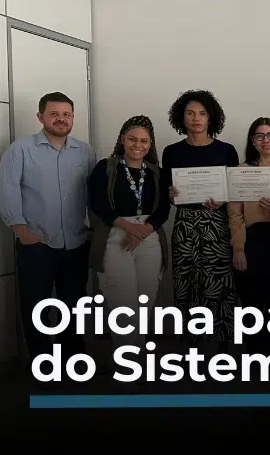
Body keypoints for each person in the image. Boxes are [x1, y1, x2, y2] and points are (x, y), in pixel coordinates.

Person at [0, 92, 96, 366]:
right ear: (41, 117)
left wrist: (93, 229)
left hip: (76, 243)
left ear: (72, 118)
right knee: (36, 308)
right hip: (37, 245)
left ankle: (72, 360)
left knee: (74, 307)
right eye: (54, 114)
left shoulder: (85, 151)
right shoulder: (20, 150)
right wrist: (21, 231)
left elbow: (93, 194)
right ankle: (43, 366)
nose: (61, 119)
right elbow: (7, 191)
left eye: (66, 114)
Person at [87, 115, 171, 365]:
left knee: (145, 303)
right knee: (122, 304)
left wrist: (143, 230)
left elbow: (163, 209)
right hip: (115, 236)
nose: (138, 145)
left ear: (150, 144)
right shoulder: (106, 167)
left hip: (149, 237)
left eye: (144, 141)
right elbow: (98, 204)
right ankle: (126, 367)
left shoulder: (156, 173)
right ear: (122, 139)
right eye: (132, 139)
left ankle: (138, 359)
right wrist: (129, 227)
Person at [161, 89, 241, 350]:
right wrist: (171, 194)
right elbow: (167, 192)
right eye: (191, 113)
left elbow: (235, 193)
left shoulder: (226, 151)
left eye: (202, 113)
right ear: (181, 117)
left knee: (219, 284)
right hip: (185, 224)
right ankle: (190, 348)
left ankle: (222, 348)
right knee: (186, 283)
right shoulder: (171, 152)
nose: (196, 118)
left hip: (217, 225)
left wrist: (223, 201)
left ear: (211, 118)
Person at [228, 117, 270, 354]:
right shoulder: (241, 171)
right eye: (259, 135)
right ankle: (255, 352)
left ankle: (269, 346)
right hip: (252, 242)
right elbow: (235, 215)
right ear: (252, 141)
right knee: (252, 301)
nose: (266, 140)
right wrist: (238, 249)